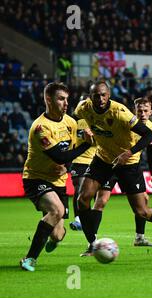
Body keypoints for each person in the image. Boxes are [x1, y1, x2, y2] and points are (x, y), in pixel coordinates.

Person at [74, 80, 152, 256]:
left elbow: (148, 135)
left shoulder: (119, 112)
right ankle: (92, 244)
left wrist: (128, 153)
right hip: (103, 159)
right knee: (82, 199)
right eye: (96, 95)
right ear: (90, 96)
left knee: (142, 211)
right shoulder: (83, 108)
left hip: (127, 165)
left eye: (103, 95)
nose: (100, 99)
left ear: (109, 95)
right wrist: (83, 131)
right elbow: (76, 118)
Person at [20, 82, 94, 271]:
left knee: (58, 234)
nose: (66, 103)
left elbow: (69, 152)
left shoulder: (70, 122)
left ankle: (51, 237)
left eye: (67, 99)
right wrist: (86, 145)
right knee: (56, 211)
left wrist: (67, 167)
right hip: (36, 178)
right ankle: (29, 259)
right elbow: (60, 156)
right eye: (61, 99)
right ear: (48, 100)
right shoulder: (40, 128)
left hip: (58, 182)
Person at [89, 97, 152, 247]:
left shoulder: (151, 129)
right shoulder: (126, 122)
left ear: (150, 112)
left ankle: (139, 238)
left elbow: (151, 152)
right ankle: (92, 242)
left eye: (145, 111)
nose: (142, 114)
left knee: (144, 201)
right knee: (101, 201)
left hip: (131, 167)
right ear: (134, 111)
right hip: (111, 164)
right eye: (139, 110)